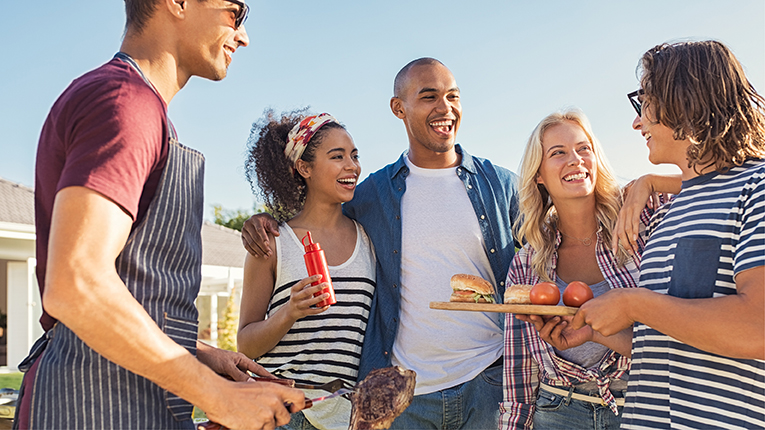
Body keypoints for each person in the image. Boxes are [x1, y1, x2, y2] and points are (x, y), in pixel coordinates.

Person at [15, 1, 306, 429]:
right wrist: (218, 396)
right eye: (235, 12)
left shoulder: (140, 108)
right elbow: (76, 284)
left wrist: (202, 354)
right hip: (93, 403)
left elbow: (132, 286)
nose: (243, 36)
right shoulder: (124, 103)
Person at [241, 58, 520, 429]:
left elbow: (557, 233)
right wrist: (263, 220)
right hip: (391, 395)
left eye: (453, 96)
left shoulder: (500, 185)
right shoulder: (373, 195)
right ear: (398, 108)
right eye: (429, 96)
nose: (445, 107)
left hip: (481, 382)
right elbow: (316, 210)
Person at [572, 40, 765, 429]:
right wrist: (596, 330)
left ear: (685, 100)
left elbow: (757, 327)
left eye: (644, 103)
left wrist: (634, 304)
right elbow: (667, 339)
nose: (637, 122)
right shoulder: (666, 213)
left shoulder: (757, 188)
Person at [500, 109, 673, 429]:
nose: (575, 159)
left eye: (584, 149)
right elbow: (520, 371)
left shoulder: (641, 216)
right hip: (558, 410)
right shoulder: (527, 263)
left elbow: (723, 180)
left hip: (643, 404)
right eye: (558, 153)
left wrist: (651, 181)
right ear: (538, 174)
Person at [237, 110, 376, 430]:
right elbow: (246, 343)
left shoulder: (369, 239)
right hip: (282, 413)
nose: (352, 166)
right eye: (337, 156)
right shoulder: (272, 243)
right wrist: (290, 311)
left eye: (354, 156)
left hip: (343, 414)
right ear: (304, 167)